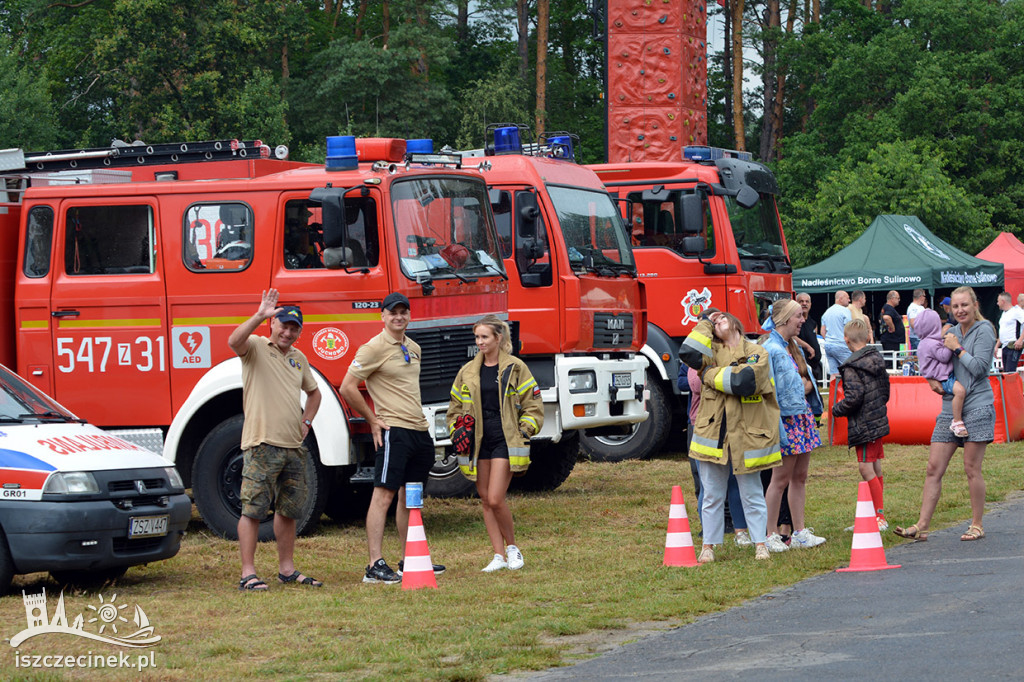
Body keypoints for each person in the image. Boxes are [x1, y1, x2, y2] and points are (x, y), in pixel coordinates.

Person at [340, 292, 444, 584]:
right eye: (393, 312)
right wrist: (373, 420)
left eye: (404, 312)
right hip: (394, 432)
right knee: (383, 495)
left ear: (409, 316)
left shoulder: (413, 347)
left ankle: (410, 558)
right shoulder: (373, 348)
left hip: (419, 431)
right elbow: (348, 386)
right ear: (382, 316)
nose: (399, 317)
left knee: (411, 498)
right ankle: (374, 565)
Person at [228, 289, 323, 591]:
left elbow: (315, 392)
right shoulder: (256, 346)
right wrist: (258, 315)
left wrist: (306, 421)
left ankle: (287, 569)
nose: (288, 332)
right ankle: (248, 573)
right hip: (261, 443)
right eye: (284, 325)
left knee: (288, 510)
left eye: (294, 328)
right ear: (273, 325)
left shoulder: (299, 358)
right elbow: (233, 342)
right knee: (253, 509)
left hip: (293, 447)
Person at [894, 286, 997, 543]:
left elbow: (980, 369)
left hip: (977, 405)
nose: (960, 310)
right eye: (955, 306)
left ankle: (977, 524)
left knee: (971, 467)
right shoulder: (949, 331)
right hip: (949, 407)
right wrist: (930, 379)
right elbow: (935, 362)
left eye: (965, 305)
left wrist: (958, 348)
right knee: (933, 467)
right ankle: (922, 526)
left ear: (975, 305)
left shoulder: (984, 330)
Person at [679, 312, 781, 563]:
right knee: (711, 494)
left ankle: (760, 544)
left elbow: (744, 381)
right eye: (713, 323)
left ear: (736, 323)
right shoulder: (707, 352)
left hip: (747, 435)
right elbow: (687, 352)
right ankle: (708, 547)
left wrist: (710, 375)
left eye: (721, 318)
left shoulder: (758, 351)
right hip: (713, 433)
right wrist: (703, 322)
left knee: (752, 493)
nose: (716, 323)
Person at [447, 315, 543, 572]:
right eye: (477, 337)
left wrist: (524, 431)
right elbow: (454, 409)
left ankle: (513, 549)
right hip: (478, 441)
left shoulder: (516, 367)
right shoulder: (467, 371)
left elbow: (534, 407)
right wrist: (458, 431)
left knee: (496, 497)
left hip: (505, 439)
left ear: (498, 338)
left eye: (485, 337)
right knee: (485, 499)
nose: (480, 342)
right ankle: (498, 556)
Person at [760, 299, 826, 552]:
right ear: (786, 318)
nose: (802, 320)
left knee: (800, 477)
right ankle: (771, 534)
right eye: (799, 316)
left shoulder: (788, 346)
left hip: (801, 416)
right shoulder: (772, 349)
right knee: (780, 479)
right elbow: (769, 389)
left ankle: (799, 532)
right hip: (786, 419)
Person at [831, 318, 890, 531]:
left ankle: (879, 516)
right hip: (877, 418)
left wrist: (837, 409)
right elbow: (885, 390)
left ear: (846, 340)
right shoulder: (877, 358)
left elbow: (854, 397)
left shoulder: (851, 366)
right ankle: (879, 514)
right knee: (875, 464)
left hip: (864, 424)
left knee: (866, 467)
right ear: (867, 337)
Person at [683, 365, 751, 546]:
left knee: (734, 479)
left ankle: (741, 531)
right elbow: (696, 385)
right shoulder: (697, 360)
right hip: (703, 426)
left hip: (729, 422)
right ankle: (709, 534)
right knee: (707, 485)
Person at [916, 309, 968, 437]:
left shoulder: (923, 343)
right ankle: (957, 421)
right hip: (944, 377)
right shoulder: (932, 344)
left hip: (940, 376)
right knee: (960, 392)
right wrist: (952, 344)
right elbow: (944, 357)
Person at [820, 291, 852, 378]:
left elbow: (822, 331)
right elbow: (849, 330)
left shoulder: (827, 312)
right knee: (849, 372)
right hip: (842, 345)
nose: (849, 300)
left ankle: (833, 391)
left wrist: (829, 340)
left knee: (834, 374)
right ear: (840, 299)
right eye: (847, 298)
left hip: (829, 346)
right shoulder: (846, 311)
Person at [795, 293, 823, 387]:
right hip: (801, 364)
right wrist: (807, 346)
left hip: (814, 365)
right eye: (801, 301)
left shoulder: (813, 323)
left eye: (807, 301)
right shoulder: (794, 321)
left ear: (810, 304)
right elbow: (791, 337)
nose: (804, 304)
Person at [994, 291, 1024, 372]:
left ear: (1003, 301)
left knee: (1010, 371)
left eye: (998, 301)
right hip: (1004, 346)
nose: (997, 303)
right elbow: (1003, 332)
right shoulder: (1004, 314)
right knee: (1006, 371)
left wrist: (1020, 340)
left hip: (1013, 345)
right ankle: (1009, 385)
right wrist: (997, 346)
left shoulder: (1016, 311)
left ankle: (1013, 384)